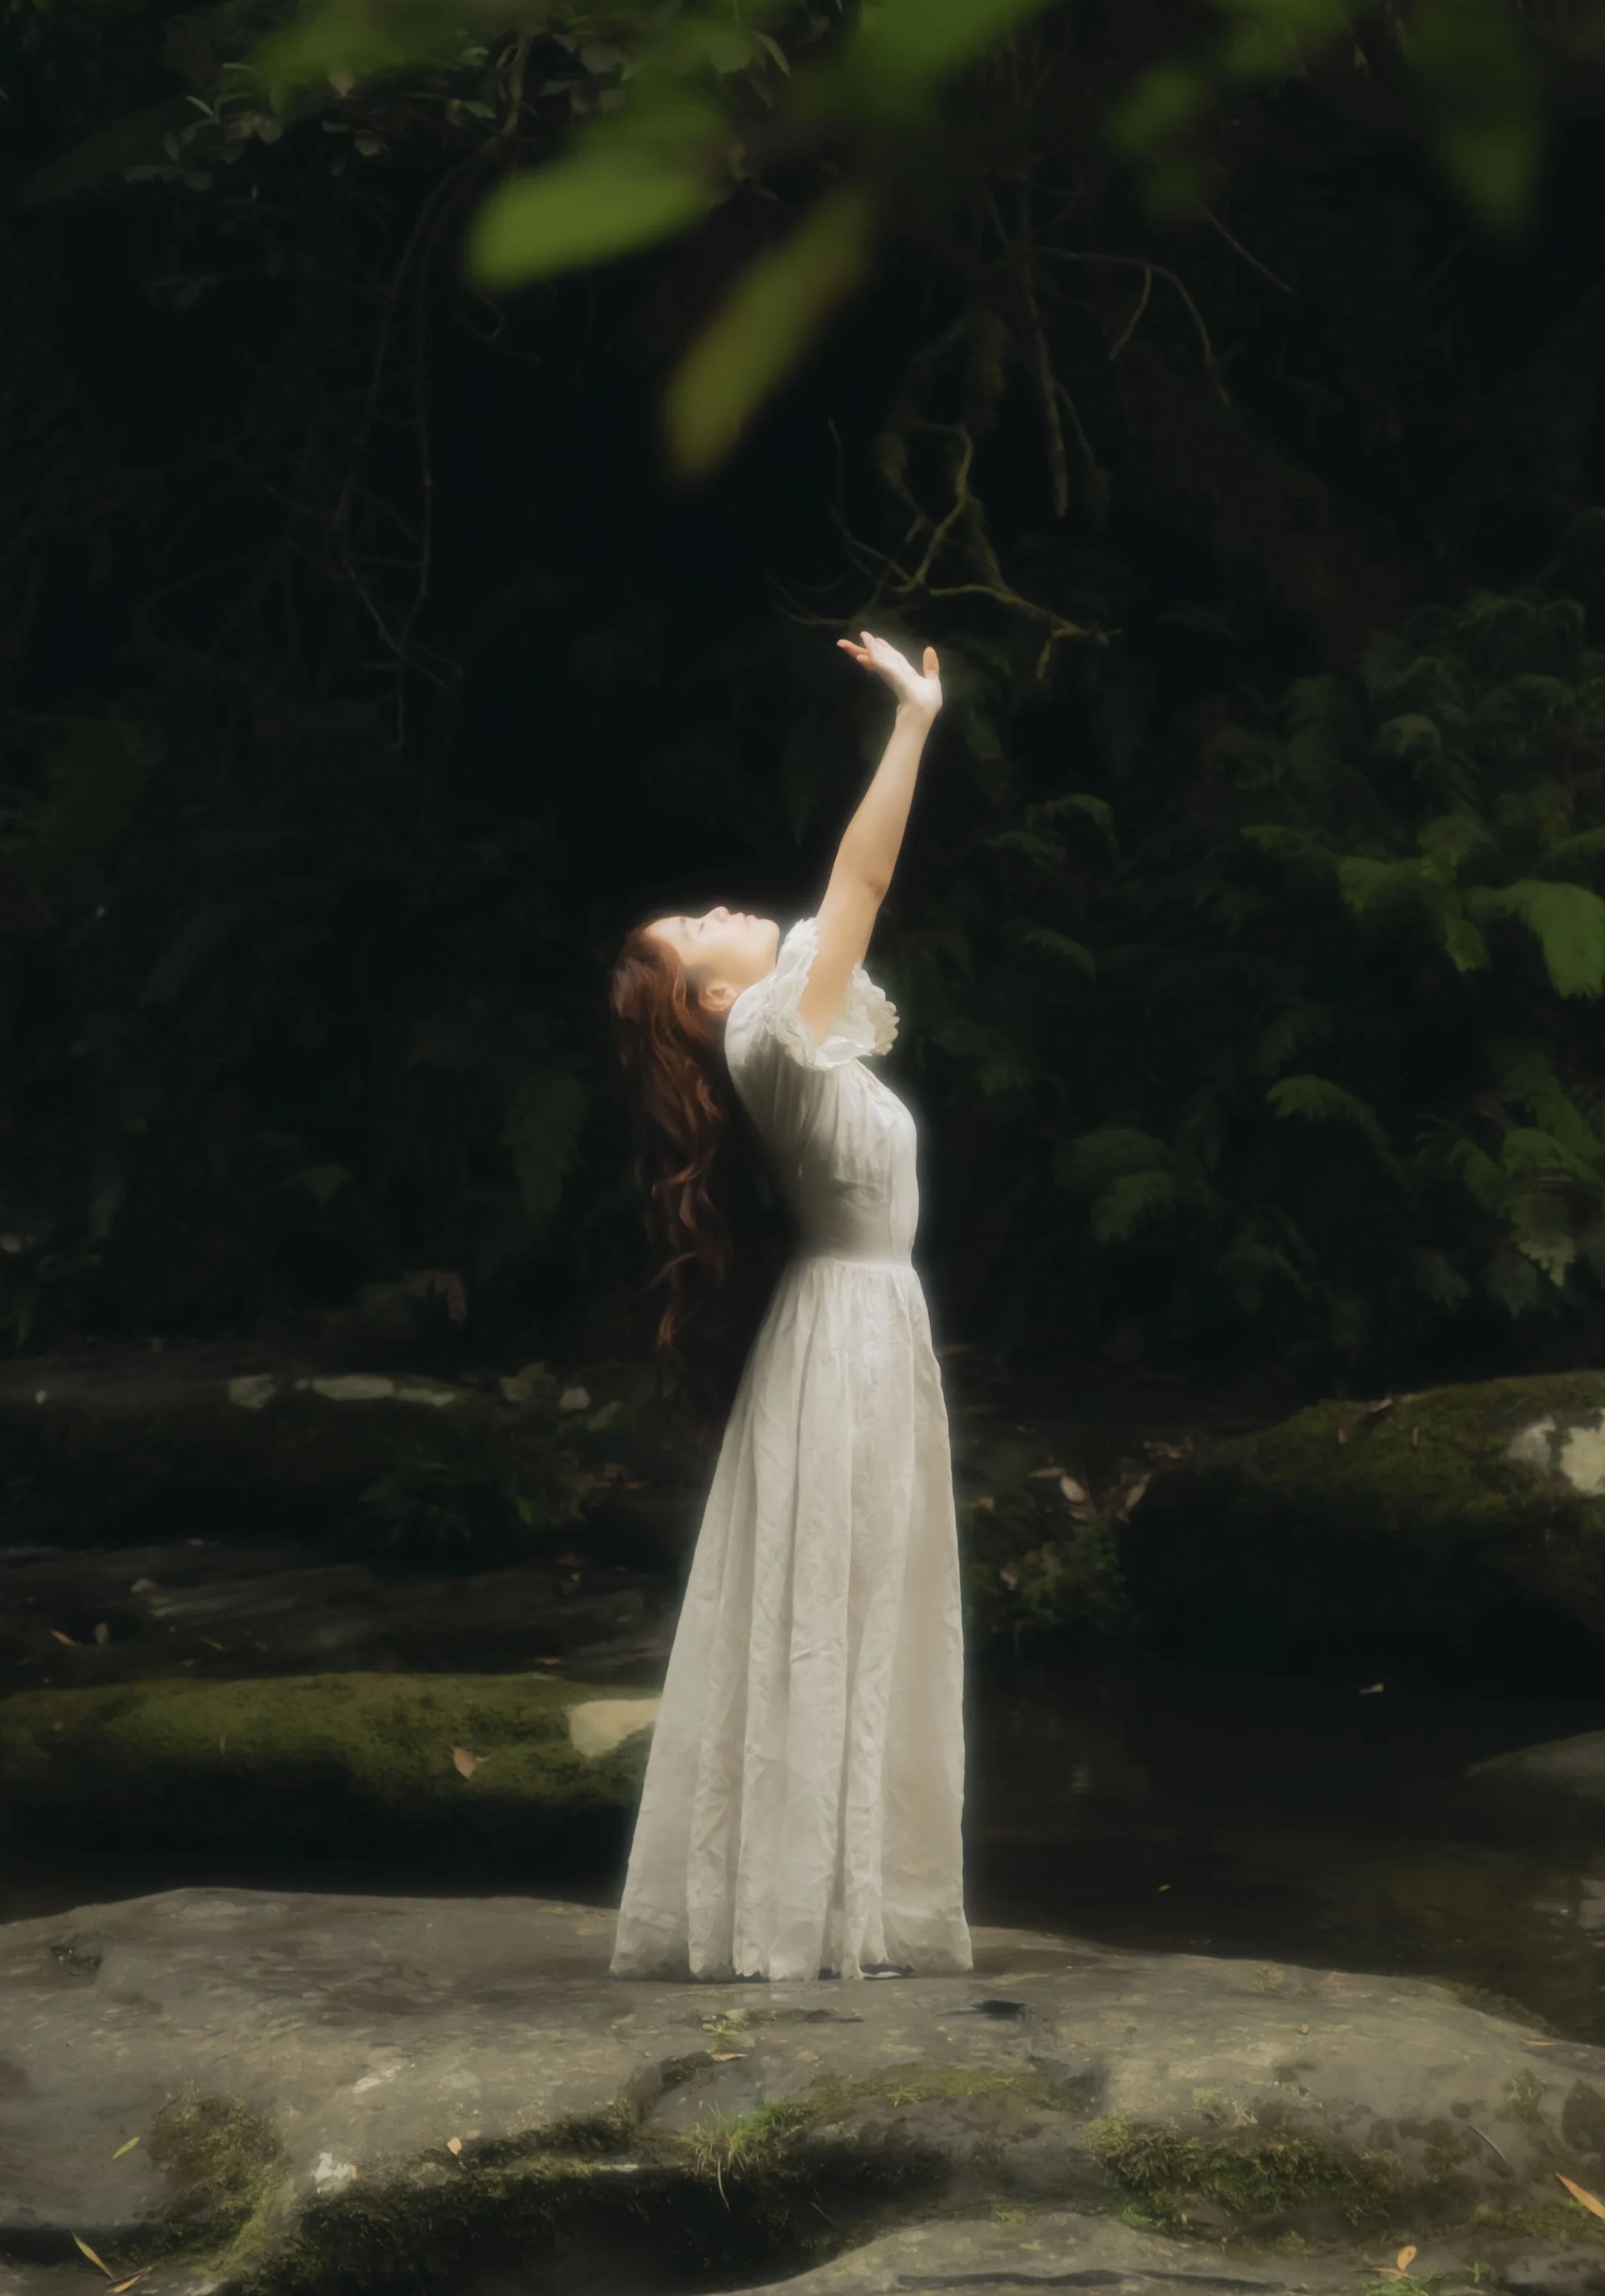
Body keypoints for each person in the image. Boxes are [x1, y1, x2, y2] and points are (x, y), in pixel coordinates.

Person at [604, 629, 971, 1984]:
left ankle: (833, 1901)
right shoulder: (768, 1031)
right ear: (709, 999)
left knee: (858, 1601)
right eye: (694, 932)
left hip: (862, 1335)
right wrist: (916, 725)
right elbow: (866, 874)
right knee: (839, 1602)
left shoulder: (786, 1040)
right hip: (851, 1341)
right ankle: (807, 1912)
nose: (717, 910)